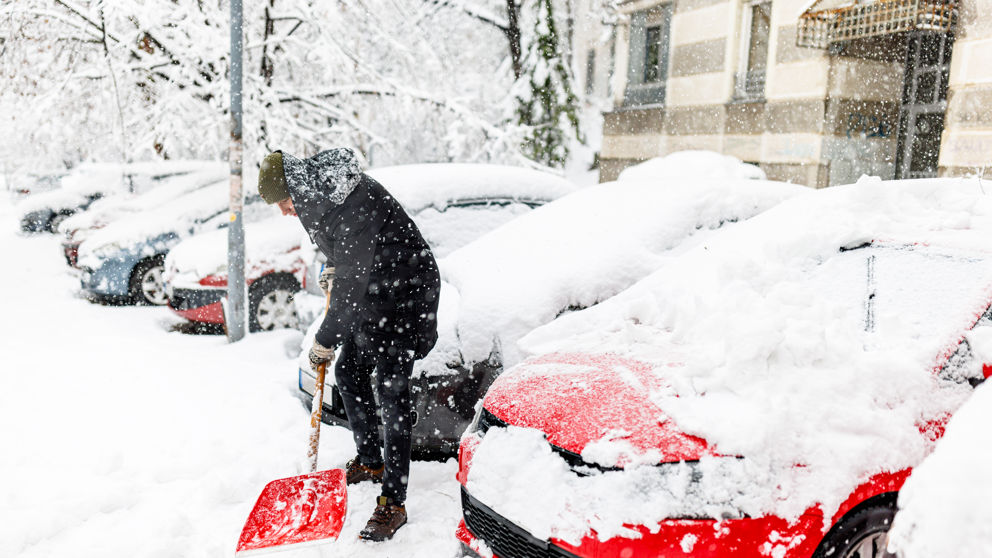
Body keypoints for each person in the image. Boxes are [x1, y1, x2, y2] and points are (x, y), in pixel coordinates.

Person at [256, 148, 441, 541]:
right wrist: (333, 267)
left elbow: (352, 284)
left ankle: (393, 502)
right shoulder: (316, 199)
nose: (286, 212)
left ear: (296, 189)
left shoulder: (351, 200)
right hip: (376, 291)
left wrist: (325, 339)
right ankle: (371, 460)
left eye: (284, 203)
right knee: (349, 372)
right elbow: (345, 253)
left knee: (391, 391)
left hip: (406, 296)